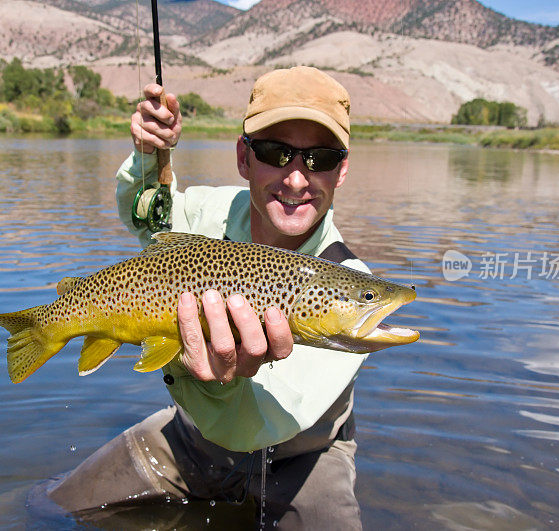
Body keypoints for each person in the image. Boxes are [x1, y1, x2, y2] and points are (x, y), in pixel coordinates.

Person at [32, 66, 370, 529]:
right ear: (244, 158)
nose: (296, 179)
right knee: (49, 509)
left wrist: (218, 381)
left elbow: (262, 423)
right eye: (276, 152)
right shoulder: (211, 211)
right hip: (194, 441)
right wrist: (151, 157)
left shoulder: (350, 287)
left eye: (321, 158)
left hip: (305, 460)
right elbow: (153, 219)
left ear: (342, 169)